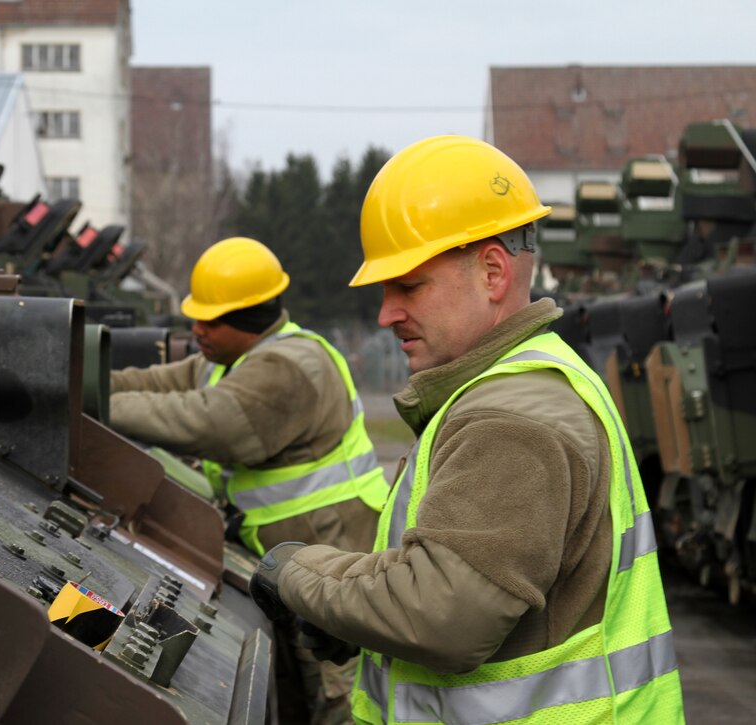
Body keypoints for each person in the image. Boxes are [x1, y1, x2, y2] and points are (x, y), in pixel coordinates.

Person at [248, 136, 684, 724]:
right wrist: (357, 622)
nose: (386, 313)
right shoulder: (526, 383)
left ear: (492, 272)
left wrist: (295, 572)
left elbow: (441, 616)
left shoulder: (512, 418)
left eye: (409, 286)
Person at [110, 236, 389, 722]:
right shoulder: (227, 362)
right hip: (291, 567)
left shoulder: (290, 368)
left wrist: (84, 405)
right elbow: (152, 385)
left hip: (332, 574)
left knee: (340, 699)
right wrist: (72, 379)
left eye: (210, 320)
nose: (195, 328)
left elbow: (204, 422)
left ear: (250, 321)